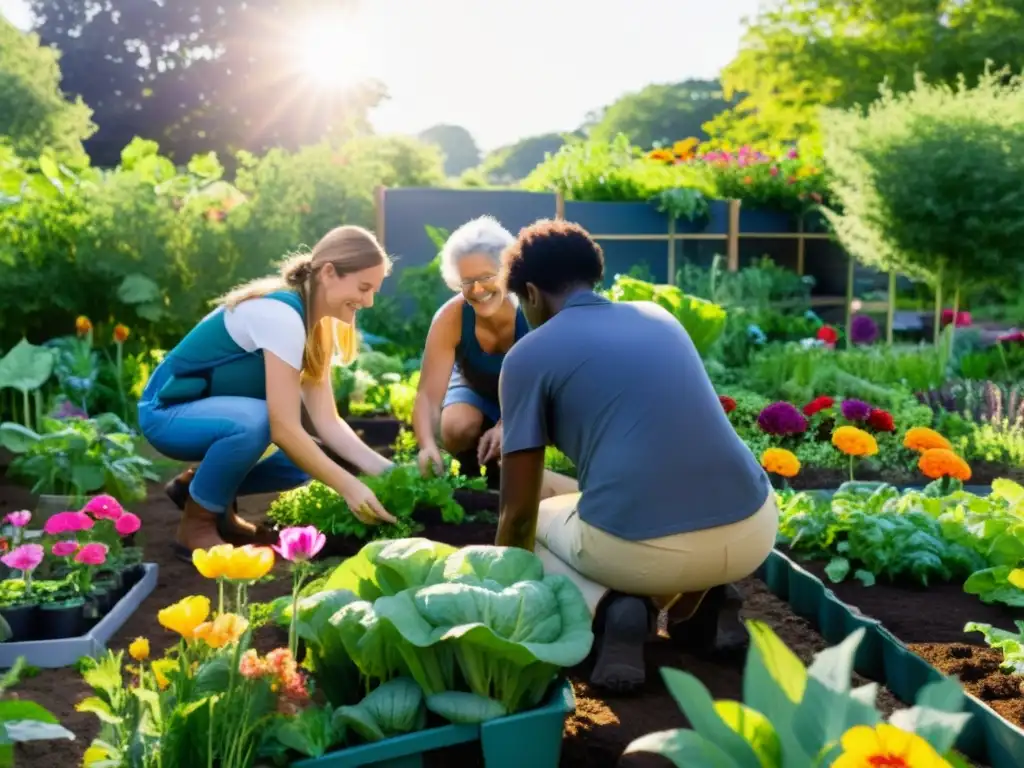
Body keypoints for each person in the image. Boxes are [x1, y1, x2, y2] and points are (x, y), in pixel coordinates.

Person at [495, 219, 778, 693]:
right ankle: (704, 604)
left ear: (531, 293)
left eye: (522, 302)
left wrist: (499, 593)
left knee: (541, 523)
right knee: (598, 503)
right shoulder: (658, 317)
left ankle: (611, 609)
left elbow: (517, 514)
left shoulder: (529, 354)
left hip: (641, 554)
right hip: (753, 529)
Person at [140, 226, 397, 561]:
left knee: (297, 465)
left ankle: (202, 495)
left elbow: (328, 422)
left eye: (374, 291)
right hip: (168, 414)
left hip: (213, 416)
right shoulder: (281, 315)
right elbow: (283, 427)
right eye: (364, 288)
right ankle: (196, 526)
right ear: (330, 273)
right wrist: (350, 488)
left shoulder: (316, 329)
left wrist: (390, 473)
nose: (369, 301)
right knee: (260, 423)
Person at [411, 216, 529, 485]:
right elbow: (427, 396)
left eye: (486, 277)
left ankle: (505, 465)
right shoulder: (451, 317)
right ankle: (473, 476)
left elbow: (547, 386)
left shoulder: (531, 310)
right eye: (467, 281)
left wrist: (507, 425)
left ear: (507, 271)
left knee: (520, 444)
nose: (477, 289)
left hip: (526, 396)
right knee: (456, 428)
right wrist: (427, 445)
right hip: (474, 387)